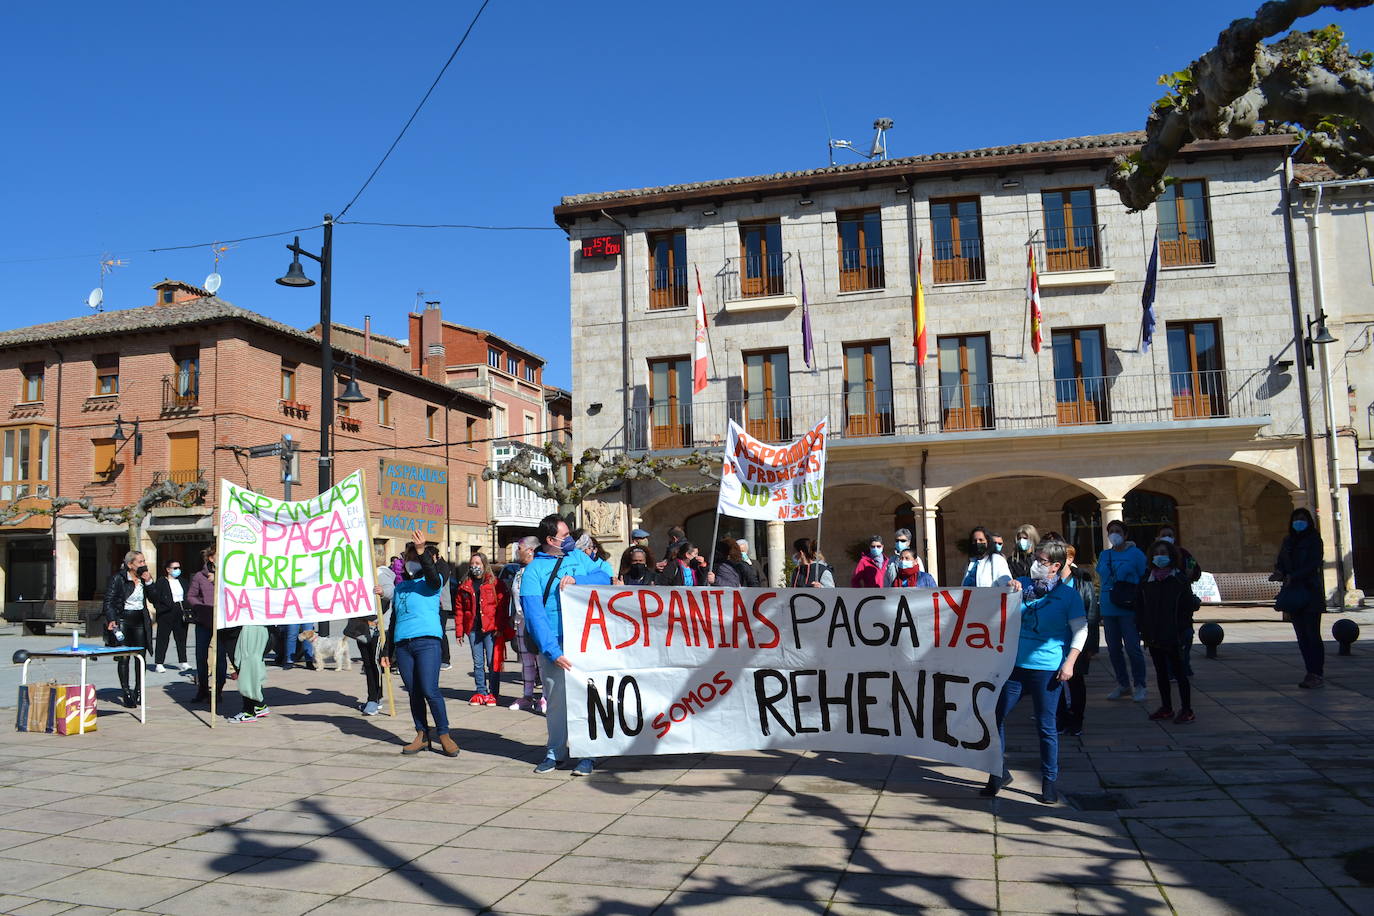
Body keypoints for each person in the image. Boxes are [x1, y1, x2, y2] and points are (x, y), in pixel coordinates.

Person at [983, 539, 1086, 804]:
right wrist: (1008, 591)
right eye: (1035, 559)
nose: (1035, 565)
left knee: (1046, 725)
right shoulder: (1022, 585)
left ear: (1055, 566)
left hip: (1047, 668)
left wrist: (1070, 662)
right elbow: (992, 608)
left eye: (1041, 561)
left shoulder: (1068, 595)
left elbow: (1080, 630)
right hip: (1015, 666)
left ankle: (1049, 782)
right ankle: (997, 773)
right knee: (995, 717)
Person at [521, 513, 612, 775]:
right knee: (557, 703)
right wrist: (553, 651)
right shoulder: (533, 571)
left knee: (587, 700)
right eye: (565, 535)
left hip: (585, 642)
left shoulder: (578, 558)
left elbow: (605, 578)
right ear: (550, 539)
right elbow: (535, 615)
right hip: (556, 646)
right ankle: (555, 752)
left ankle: (588, 753)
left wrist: (578, 581)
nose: (571, 539)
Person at [382, 530, 459, 756]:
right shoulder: (401, 587)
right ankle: (422, 734)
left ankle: (443, 734)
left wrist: (422, 552)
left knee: (429, 689)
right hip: (404, 644)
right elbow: (394, 619)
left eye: (413, 557)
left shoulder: (431, 582)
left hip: (427, 642)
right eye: (409, 557)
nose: (410, 561)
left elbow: (435, 575)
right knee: (414, 691)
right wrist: (388, 651)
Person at [1136, 539, 1198, 724]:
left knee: (1179, 673)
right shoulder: (1147, 580)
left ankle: (1187, 709)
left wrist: (1182, 630)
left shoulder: (1179, 579)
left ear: (1171, 556)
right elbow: (1140, 606)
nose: (1160, 556)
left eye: (1164, 553)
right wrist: (1142, 629)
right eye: (1157, 553)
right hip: (1154, 634)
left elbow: (1188, 606)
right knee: (1161, 672)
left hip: (1175, 634)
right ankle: (1166, 707)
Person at [1273, 506, 1327, 689]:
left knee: (1312, 634)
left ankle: (1316, 672)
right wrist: (1279, 572)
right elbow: (1280, 561)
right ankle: (1309, 671)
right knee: (1302, 636)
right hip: (1293, 593)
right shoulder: (1288, 541)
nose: (1299, 522)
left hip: (1310, 592)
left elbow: (1313, 564)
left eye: (1302, 519)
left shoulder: (1314, 540)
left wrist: (1294, 576)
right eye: (1296, 519)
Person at [1097, 519, 1149, 702]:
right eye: (1111, 531)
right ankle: (1123, 683)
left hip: (1127, 606)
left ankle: (1140, 684)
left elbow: (1145, 575)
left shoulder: (1135, 554)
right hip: (1108, 606)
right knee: (1113, 649)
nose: (1114, 534)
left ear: (1125, 534)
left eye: (1118, 531)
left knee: (1133, 648)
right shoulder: (1105, 555)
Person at [457, 551, 510, 707]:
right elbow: (459, 609)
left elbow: (502, 606)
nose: (475, 567)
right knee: (478, 663)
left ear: (484, 565)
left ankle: (493, 693)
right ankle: (481, 691)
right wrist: (459, 631)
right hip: (473, 629)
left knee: (492, 662)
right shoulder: (464, 585)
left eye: (478, 564)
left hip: (491, 628)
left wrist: (500, 626)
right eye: (472, 564)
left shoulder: (495, 583)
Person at [1056, 545, 1098, 737]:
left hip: (1076, 639)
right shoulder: (1050, 581)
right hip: (1055, 639)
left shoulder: (1082, 581)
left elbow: (1092, 613)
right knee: (1055, 680)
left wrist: (1091, 644)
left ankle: (1077, 720)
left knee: (1076, 681)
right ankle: (1061, 719)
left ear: (1071, 560)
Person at [102, 551, 153, 708]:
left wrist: (150, 582)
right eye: (140, 562)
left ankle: (138, 690)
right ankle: (126, 692)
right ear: (130, 564)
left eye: (144, 561)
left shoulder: (144, 579)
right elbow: (109, 601)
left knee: (140, 656)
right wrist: (111, 619)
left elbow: (155, 598)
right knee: (124, 656)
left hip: (140, 619)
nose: (143, 564)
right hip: (123, 619)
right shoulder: (119, 578)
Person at [346, 555, 393, 717]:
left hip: (378, 628)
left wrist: (382, 591)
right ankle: (374, 697)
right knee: (367, 664)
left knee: (375, 663)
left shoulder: (382, 574)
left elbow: (391, 592)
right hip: (362, 628)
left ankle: (374, 699)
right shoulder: (358, 575)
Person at [501, 537, 544, 711]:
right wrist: (513, 615)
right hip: (521, 621)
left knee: (541, 662)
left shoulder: (538, 570)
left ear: (530, 550)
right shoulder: (520, 571)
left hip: (536, 621)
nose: (517, 551)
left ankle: (545, 697)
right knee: (526, 662)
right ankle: (527, 695)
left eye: (519, 548)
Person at [1157, 524, 1200, 678]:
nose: (1166, 537)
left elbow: (1195, 567)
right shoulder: (1156, 556)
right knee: (1167, 641)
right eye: (1163, 534)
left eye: (1169, 534)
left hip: (1182, 604)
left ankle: (1184, 666)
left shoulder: (1183, 553)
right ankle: (1171, 670)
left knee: (1186, 635)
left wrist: (1190, 573)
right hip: (1163, 607)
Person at [148, 558, 190, 673]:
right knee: (163, 638)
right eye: (175, 568)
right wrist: (160, 608)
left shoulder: (183, 581)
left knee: (181, 637)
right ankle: (159, 663)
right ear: (168, 569)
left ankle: (183, 661)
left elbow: (188, 595)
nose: (178, 570)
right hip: (166, 612)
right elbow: (155, 597)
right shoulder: (161, 582)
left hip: (180, 610)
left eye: (179, 568)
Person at [186, 548, 215, 703]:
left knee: (221, 658)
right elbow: (191, 595)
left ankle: (218, 689)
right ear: (211, 558)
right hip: (204, 620)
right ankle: (203, 688)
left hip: (222, 621)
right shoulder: (199, 576)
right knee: (201, 655)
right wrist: (199, 607)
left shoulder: (228, 575)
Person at [229, 623, 271, 722]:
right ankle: (258, 704)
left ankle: (249, 711)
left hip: (249, 626)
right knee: (246, 665)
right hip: (243, 625)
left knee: (246, 667)